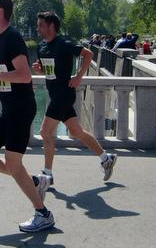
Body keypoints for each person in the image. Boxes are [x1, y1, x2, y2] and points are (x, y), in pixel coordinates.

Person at [0, 0, 54, 233]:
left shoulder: (13, 37)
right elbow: (2, 78)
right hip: (7, 108)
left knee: (12, 162)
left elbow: (25, 75)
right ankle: (32, 181)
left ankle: (43, 213)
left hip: (20, 108)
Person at [32, 11, 117, 186]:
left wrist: (79, 76)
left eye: (41, 25)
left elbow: (88, 54)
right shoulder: (41, 47)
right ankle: (106, 158)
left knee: (44, 132)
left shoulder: (64, 44)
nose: (37, 28)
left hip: (64, 94)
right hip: (54, 93)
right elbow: (47, 71)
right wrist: (39, 70)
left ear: (51, 26)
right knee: (77, 132)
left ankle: (47, 175)